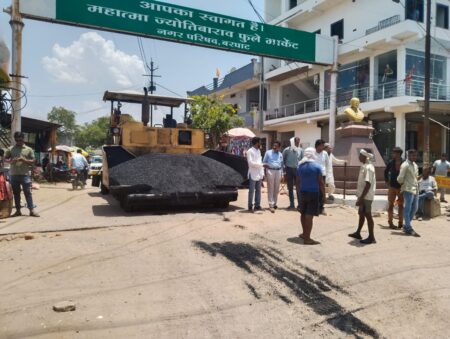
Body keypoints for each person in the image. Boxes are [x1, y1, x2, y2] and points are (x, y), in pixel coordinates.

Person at [4, 131, 40, 217]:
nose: (18, 142)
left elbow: (34, 161)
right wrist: (11, 161)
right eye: (17, 140)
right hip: (14, 175)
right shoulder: (11, 149)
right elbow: (5, 159)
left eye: (20, 140)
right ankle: (17, 211)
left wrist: (24, 160)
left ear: (23, 139)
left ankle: (31, 210)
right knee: (16, 193)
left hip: (25, 175)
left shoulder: (28, 149)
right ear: (15, 139)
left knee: (28, 193)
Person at [296, 147, 324, 245]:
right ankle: (307, 239)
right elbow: (320, 182)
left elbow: (298, 182)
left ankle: (304, 233)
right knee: (309, 216)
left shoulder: (300, 166)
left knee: (303, 213)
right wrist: (324, 196)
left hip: (303, 192)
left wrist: (299, 193)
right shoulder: (317, 167)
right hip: (313, 193)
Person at [348, 149, 377, 244]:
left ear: (364, 156)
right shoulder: (364, 166)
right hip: (362, 196)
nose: (358, 157)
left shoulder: (368, 167)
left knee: (368, 215)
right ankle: (358, 232)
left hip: (366, 197)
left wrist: (361, 198)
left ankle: (371, 237)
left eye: (360, 155)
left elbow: (368, 184)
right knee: (361, 214)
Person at [397, 149, 420, 237]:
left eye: (415, 155)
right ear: (408, 156)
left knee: (415, 208)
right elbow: (400, 178)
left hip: (416, 189)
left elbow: (416, 177)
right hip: (408, 189)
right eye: (413, 155)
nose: (414, 157)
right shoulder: (405, 165)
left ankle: (406, 226)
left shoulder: (415, 165)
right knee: (407, 209)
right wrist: (404, 185)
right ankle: (409, 228)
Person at [384, 147, 404, 229]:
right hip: (392, 187)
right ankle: (390, 223)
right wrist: (387, 182)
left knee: (401, 206)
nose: (393, 154)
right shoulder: (391, 162)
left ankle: (400, 223)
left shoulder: (404, 163)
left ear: (398, 154)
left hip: (401, 188)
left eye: (394, 153)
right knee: (391, 205)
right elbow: (385, 171)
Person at [282, 137, 303, 209]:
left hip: (298, 170)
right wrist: (284, 171)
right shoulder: (286, 150)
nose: (297, 143)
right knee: (290, 188)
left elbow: (302, 160)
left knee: (298, 188)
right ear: (293, 142)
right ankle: (292, 204)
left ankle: (300, 205)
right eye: (296, 141)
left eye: (298, 141)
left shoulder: (300, 150)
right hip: (289, 170)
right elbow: (283, 160)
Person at [263, 141, 283, 213]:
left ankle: (274, 203)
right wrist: (265, 170)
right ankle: (271, 205)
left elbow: (281, 164)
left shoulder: (280, 154)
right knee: (271, 188)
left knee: (276, 188)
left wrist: (282, 174)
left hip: (278, 171)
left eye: (276, 146)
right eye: (274, 145)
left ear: (279, 147)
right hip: (270, 171)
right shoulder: (268, 152)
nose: (274, 147)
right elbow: (264, 162)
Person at [246, 137, 264, 212]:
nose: (261, 144)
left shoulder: (259, 151)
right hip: (253, 172)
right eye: (260, 142)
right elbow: (250, 163)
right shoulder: (249, 151)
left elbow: (260, 161)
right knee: (251, 191)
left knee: (258, 190)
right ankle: (250, 206)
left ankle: (257, 205)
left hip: (259, 173)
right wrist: (260, 165)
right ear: (256, 143)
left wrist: (262, 172)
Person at [314, 139, 331, 214]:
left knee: (321, 191)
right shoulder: (313, 153)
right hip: (314, 175)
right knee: (315, 191)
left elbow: (327, 164)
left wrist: (327, 175)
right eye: (322, 145)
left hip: (322, 175)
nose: (323, 147)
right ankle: (315, 207)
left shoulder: (325, 153)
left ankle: (321, 208)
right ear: (318, 146)